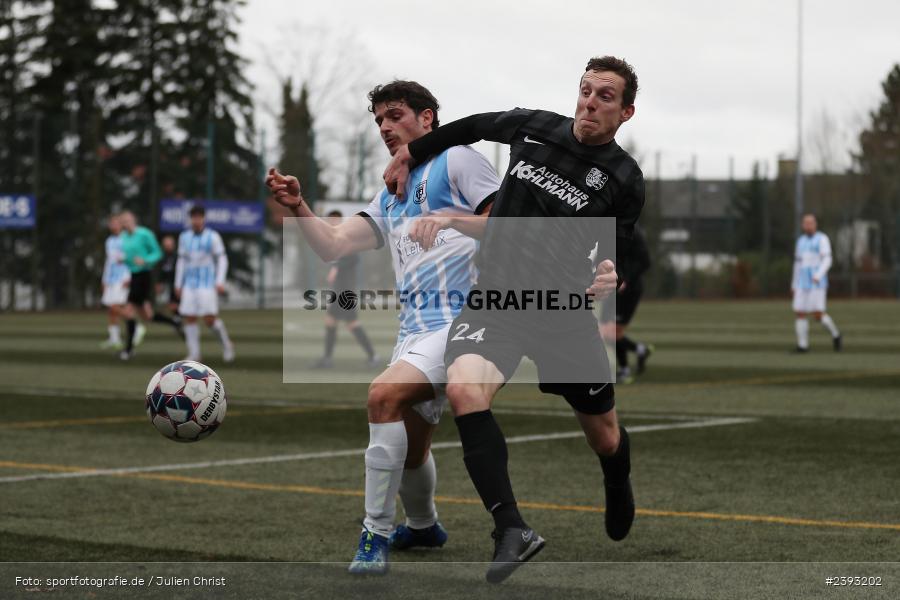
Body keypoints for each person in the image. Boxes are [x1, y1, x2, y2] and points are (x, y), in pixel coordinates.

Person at [383, 55, 644, 583]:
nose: (590, 101)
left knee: (605, 436)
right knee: (464, 391)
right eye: (586, 89)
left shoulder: (624, 176)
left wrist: (610, 273)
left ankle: (617, 476)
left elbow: (618, 252)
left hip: (561, 313)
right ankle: (511, 528)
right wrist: (412, 150)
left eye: (605, 96)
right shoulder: (535, 127)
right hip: (496, 300)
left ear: (626, 112)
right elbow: (474, 126)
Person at [267, 80, 508, 575]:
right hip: (415, 331)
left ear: (427, 120)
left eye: (394, 115)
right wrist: (298, 206)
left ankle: (373, 533)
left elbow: (505, 224)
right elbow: (333, 244)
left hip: (464, 323)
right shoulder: (392, 191)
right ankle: (424, 526)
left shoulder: (458, 159)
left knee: (381, 397)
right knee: (412, 447)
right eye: (378, 120)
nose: (384, 127)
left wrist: (447, 219)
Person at [311, 209, 380, 369]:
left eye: (335, 220)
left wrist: (336, 268)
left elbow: (354, 258)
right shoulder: (332, 239)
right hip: (338, 291)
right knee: (330, 321)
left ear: (341, 221)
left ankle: (373, 356)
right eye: (330, 220)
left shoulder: (345, 238)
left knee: (352, 323)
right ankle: (327, 359)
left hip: (346, 292)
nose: (333, 223)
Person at [175, 205, 235, 363]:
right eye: (193, 217)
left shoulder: (213, 236)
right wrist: (178, 283)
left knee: (209, 320)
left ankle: (226, 344)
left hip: (207, 284)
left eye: (198, 217)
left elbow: (222, 259)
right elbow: (181, 261)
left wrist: (219, 281)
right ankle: (194, 354)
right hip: (189, 284)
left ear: (203, 218)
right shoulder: (184, 237)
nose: (196, 220)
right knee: (190, 317)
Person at [118, 211, 181, 360]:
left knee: (128, 311)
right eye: (123, 221)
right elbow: (129, 258)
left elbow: (157, 253)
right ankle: (174, 322)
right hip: (133, 276)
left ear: (134, 219)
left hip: (144, 276)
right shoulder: (123, 237)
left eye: (127, 220)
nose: (125, 223)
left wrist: (145, 260)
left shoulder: (145, 234)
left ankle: (128, 350)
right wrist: (124, 261)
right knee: (148, 315)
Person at [600, 226, 652, 383]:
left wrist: (627, 280)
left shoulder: (633, 232)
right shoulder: (607, 231)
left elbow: (646, 261)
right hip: (613, 287)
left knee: (612, 333)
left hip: (629, 290)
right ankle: (639, 351)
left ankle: (625, 369)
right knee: (604, 331)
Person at [792, 213, 842, 352]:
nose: (808, 225)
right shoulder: (800, 241)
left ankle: (836, 334)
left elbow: (827, 259)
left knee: (817, 315)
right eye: (805, 223)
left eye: (810, 223)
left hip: (816, 282)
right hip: (802, 281)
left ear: (815, 224)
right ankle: (802, 345)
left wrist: (818, 275)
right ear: (803, 225)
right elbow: (797, 264)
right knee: (799, 312)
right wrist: (794, 283)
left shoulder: (822, 239)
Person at [99, 213, 131, 350]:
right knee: (110, 310)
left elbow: (130, 259)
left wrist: (129, 277)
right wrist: (104, 279)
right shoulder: (109, 241)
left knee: (115, 306)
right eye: (111, 223)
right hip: (111, 279)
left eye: (115, 222)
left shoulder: (127, 239)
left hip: (122, 278)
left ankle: (137, 325)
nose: (113, 225)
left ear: (121, 224)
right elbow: (109, 262)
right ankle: (114, 339)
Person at [157, 235, 181, 319]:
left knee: (178, 305)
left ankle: (179, 318)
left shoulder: (178, 257)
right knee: (172, 305)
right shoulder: (163, 257)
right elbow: (162, 272)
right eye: (165, 245)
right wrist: (160, 283)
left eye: (169, 245)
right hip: (170, 284)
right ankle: (177, 319)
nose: (167, 247)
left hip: (180, 284)